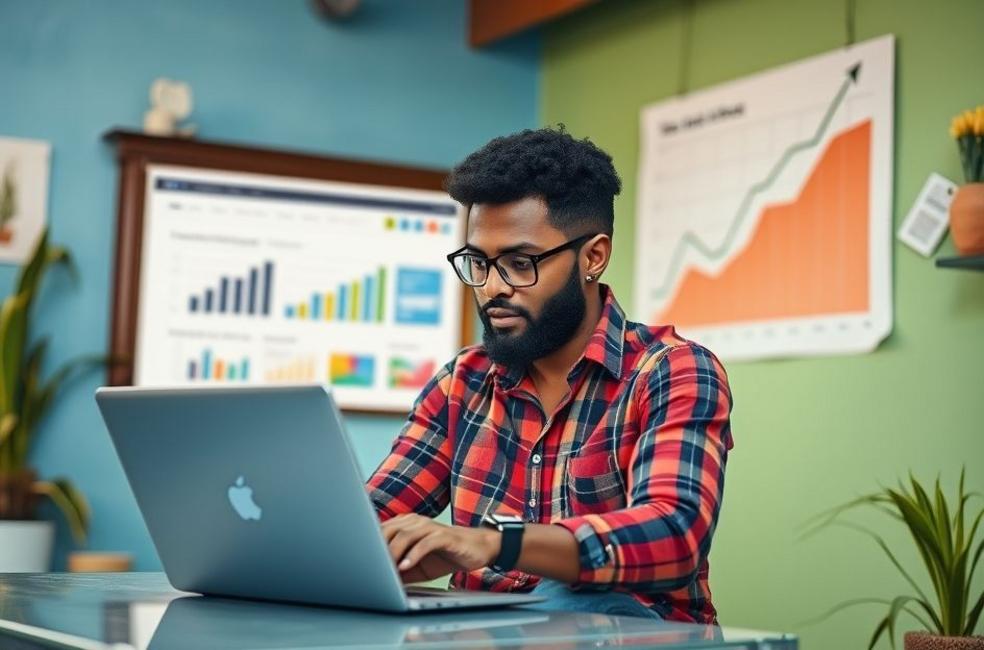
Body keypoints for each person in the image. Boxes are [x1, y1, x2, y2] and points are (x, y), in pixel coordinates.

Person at [367, 127, 734, 623]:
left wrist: (497, 544)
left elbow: (674, 535)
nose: (493, 288)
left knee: (571, 601)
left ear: (593, 257)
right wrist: (380, 548)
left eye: (520, 263)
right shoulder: (462, 383)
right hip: (482, 636)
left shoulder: (672, 371)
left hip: (631, 632)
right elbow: (370, 520)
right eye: (478, 262)